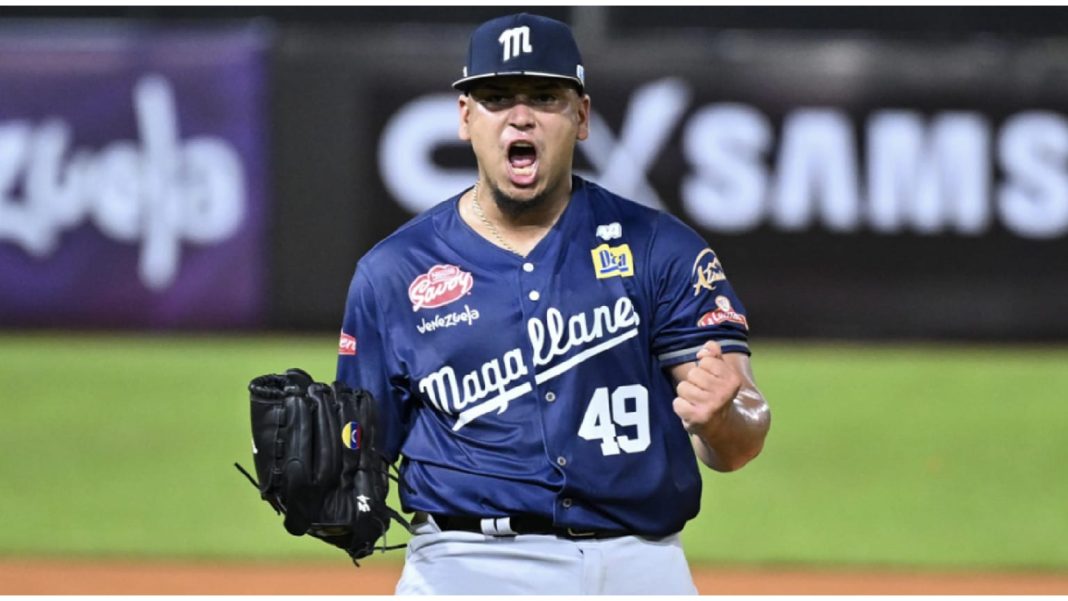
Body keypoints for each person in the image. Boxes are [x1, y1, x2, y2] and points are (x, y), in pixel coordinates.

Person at [337, 12, 770, 595]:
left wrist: (727, 416)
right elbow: (357, 461)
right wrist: (337, 471)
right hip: (466, 567)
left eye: (544, 96)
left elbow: (741, 438)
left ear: (581, 116)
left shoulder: (658, 248)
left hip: (637, 568)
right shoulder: (392, 273)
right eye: (496, 98)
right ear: (465, 118)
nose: (521, 115)